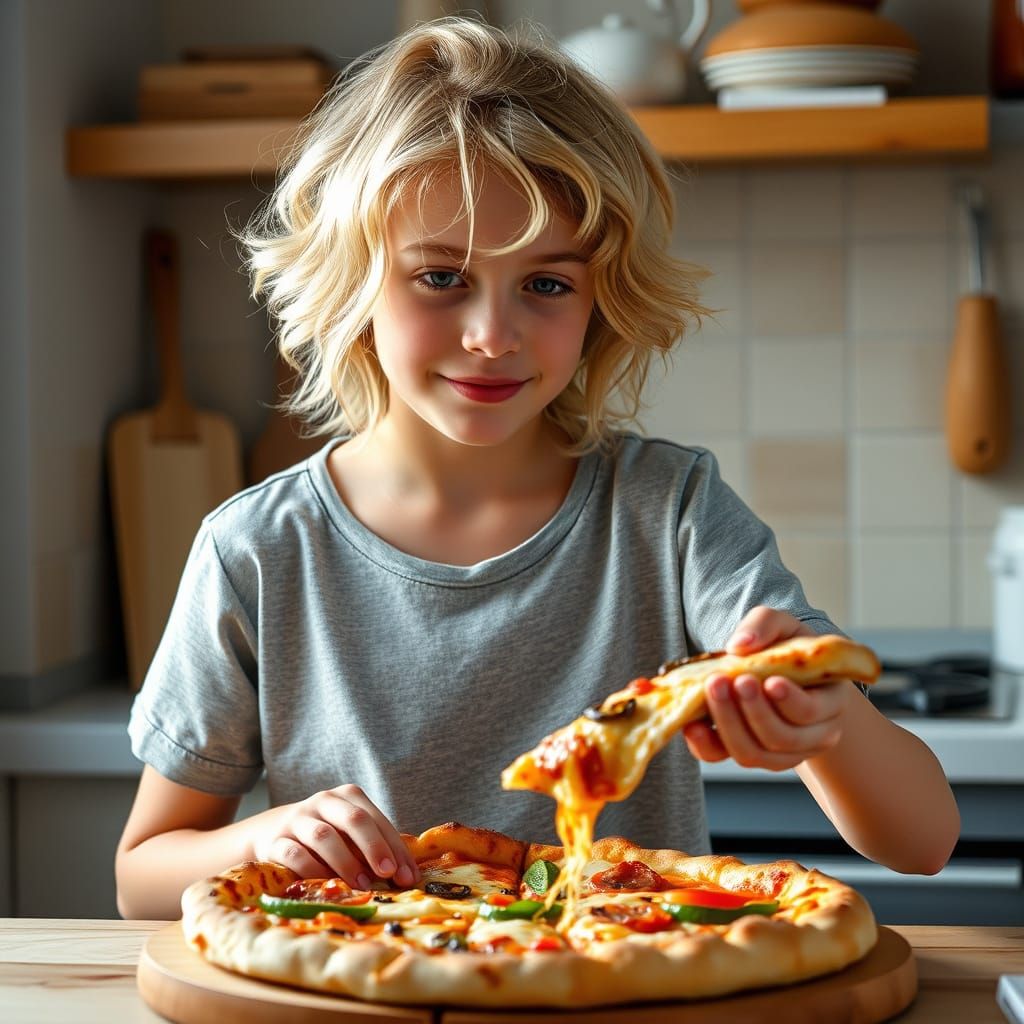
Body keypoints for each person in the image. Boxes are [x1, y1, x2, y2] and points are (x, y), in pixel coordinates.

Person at [115, 16, 959, 920]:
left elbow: (922, 840)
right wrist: (264, 838)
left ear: (603, 300)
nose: (491, 335)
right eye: (440, 278)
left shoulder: (669, 515)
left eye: (547, 284)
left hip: (627, 983)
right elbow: (141, 876)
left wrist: (822, 723)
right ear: (355, 282)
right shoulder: (255, 550)